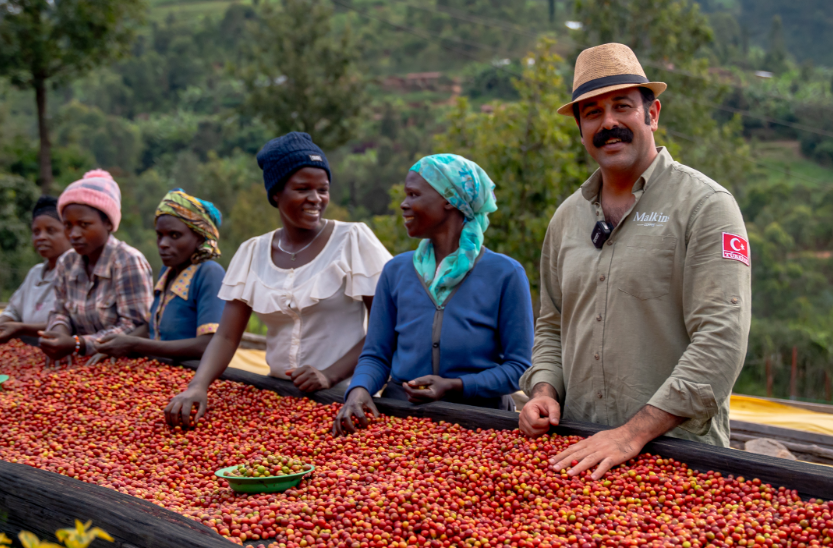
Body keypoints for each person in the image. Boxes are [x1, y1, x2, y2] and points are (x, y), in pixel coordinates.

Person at [517, 43, 751, 480]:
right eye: (592, 113)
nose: (608, 123)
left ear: (652, 114)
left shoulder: (705, 207)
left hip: (680, 461)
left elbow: (721, 339)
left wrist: (632, 433)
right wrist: (544, 391)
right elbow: (551, 325)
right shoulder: (567, 218)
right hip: (580, 452)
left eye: (622, 106)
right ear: (581, 128)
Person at [164, 132, 392, 427]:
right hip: (276, 398)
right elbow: (226, 336)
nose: (316, 199)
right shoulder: (252, 252)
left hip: (346, 399)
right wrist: (198, 385)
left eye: (323, 189)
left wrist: (330, 374)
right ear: (276, 194)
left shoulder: (353, 240)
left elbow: (383, 329)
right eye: (302, 189)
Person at [333, 154, 535, 434]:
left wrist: (456, 385)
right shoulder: (396, 271)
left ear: (450, 199)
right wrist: (359, 389)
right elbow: (376, 355)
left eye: (414, 194)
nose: (404, 204)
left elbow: (519, 368)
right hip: (402, 419)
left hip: (482, 425)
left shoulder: (505, 274)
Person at [38, 170, 153, 367]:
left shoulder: (128, 262)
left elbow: (135, 326)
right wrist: (57, 333)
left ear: (108, 223)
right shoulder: (66, 262)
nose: (74, 234)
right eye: (68, 225)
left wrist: (78, 343)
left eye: (84, 225)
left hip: (121, 366)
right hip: (80, 365)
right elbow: (61, 312)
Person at [93, 189, 226, 360]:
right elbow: (150, 328)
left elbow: (208, 345)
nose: (163, 244)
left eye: (174, 235)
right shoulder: (168, 271)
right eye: (159, 235)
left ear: (200, 238)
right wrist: (115, 344)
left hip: (193, 376)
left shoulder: (209, 273)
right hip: (160, 371)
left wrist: (133, 344)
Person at [0, 196, 71, 354]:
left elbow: (73, 323)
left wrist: (20, 329)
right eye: (36, 232)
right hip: (30, 351)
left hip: (59, 353)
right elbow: (13, 311)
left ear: (69, 233)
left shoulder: (76, 273)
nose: (41, 237)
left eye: (51, 231)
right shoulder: (35, 273)